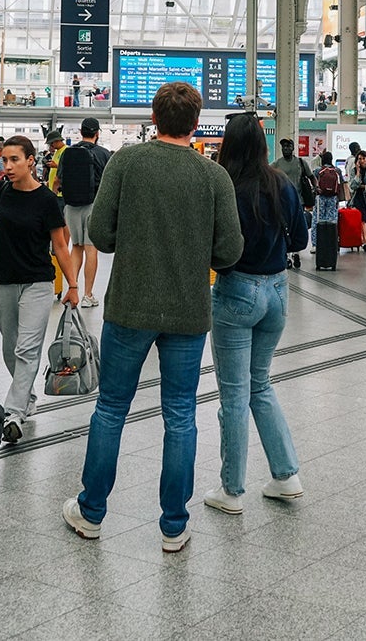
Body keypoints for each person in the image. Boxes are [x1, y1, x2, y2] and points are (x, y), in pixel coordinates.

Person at [62, 82, 243, 553]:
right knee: (181, 415)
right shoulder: (214, 177)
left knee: (111, 408)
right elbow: (229, 250)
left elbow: (100, 233)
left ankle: (92, 512)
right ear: (196, 119)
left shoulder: (127, 161)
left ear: (154, 117)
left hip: (129, 308)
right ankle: (173, 526)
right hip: (188, 309)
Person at [203, 113, 307, 515]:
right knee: (260, 384)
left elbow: (218, 248)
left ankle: (231, 490)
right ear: (264, 146)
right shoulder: (281, 183)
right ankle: (286, 476)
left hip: (236, 293)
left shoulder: (224, 185)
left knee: (233, 394)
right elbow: (300, 237)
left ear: (228, 144)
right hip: (278, 292)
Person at [0, 135, 80, 444]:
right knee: (10, 347)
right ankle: (26, 395)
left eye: (14, 159)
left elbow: (60, 245)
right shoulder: (2, 190)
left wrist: (72, 285)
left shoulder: (46, 200)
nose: (8, 165)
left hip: (37, 283)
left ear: (31, 161)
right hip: (2, 280)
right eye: (5, 160)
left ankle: (13, 413)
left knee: (27, 349)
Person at [57, 118, 111, 307]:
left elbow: (59, 179)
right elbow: (109, 184)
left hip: (71, 206)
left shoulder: (67, 153)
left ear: (81, 132)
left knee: (76, 248)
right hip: (93, 206)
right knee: (91, 250)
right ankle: (88, 295)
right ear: (97, 133)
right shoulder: (103, 153)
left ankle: (72, 290)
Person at [274, 138, 316, 269]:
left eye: (288, 146)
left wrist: (316, 188)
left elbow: (311, 177)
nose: (285, 148)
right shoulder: (276, 164)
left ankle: (296, 253)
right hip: (283, 202)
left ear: (292, 148)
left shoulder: (301, 163)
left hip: (299, 201)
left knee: (296, 227)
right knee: (285, 228)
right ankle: (287, 255)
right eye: (283, 146)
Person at [312, 150, 346, 252]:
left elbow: (314, 183)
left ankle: (315, 245)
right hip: (333, 198)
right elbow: (341, 184)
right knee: (332, 220)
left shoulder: (318, 171)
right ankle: (332, 243)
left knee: (317, 220)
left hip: (320, 198)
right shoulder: (337, 170)